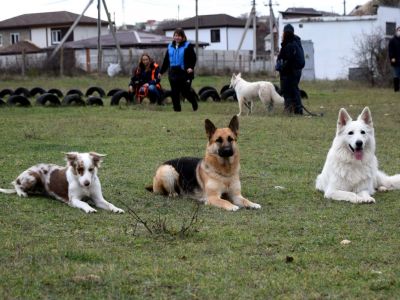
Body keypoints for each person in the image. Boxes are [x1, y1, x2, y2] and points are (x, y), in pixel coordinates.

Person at [159, 28, 198, 112]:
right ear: (173, 37)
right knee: (175, 92)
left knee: (185, 91)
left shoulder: (188, 46)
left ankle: (194, 102)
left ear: (183, 37)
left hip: (185, 72)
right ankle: (177, 110)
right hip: (173, 72)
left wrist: (191, 67)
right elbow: (166, 60)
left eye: (179, 36)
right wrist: (161, 72)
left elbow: (193, 58)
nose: (177, 37)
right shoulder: (170, 47)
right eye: (176, 35)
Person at [276, 23, 305, 115]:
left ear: (284, 32)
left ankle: (291, 109)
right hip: (296, 71)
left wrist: (281, 67)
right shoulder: (296, 42)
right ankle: (297, 109)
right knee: (294, 89)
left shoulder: (289, 43)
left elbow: (288, 59)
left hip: (289, 72)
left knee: (287, 90)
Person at [388, 26, 400, 92]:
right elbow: (390, 50)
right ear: (396, 31)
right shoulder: (392, 40)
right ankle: (396, 89)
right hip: (396, 60)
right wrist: (392, 57)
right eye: (399, 30)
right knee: (396, 75)